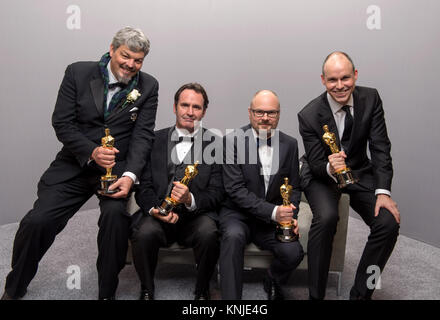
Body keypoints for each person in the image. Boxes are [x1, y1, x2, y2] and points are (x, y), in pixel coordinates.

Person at [1, 27, 159, 300]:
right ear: (112, 49)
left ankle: (106, 294)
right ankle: (14, 289)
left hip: (116, 171)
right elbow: (62, 122)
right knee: (38, 221)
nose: (131, 64)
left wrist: (131, 175)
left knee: (114, 222)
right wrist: (92, 151)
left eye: (138, 60)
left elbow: (143, 136)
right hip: (75, 163)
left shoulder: (149, 86)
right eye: (126, 56)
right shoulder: (77, 72)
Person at [297, 51, 400, 300]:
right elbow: (315, 160)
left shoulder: (371, 98)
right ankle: (316, 297)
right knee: (327, 219)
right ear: (323, 80)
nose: (340, 85)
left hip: (357, 171)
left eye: (345, 77)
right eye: (332, 80)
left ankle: (361, 295)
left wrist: (383, 191)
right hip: (321, 173)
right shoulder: (308, 115)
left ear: (355, 75)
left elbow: (380, 147)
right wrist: (331, 167)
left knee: (388, 223)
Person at [130, 83, 223, 300]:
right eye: (185, 105)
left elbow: (219, 192)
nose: (190, 112)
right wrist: (154, 209)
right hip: (160, 216)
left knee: (209, 234)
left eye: (196, 107)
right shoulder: (153, 140)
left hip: (196, 217)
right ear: (174, 107)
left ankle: (202, 291)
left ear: (204, 111)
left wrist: (191, 199)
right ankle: (146, 289)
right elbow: (143, 186)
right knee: (143, 233)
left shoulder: (217, 145)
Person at [219, 90, 304, 300]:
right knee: (232, 237)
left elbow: (294, 186)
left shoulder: (290, 144)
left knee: (294, 253)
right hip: (238, 215)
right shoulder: (232, 141)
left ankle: (272, 277)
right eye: (259, 112)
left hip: (270, 222)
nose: (265, 118)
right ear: (250, 113)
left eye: (271, 113)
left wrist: (290, 216)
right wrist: (275, 212)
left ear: (279, 114)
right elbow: (235, 190)